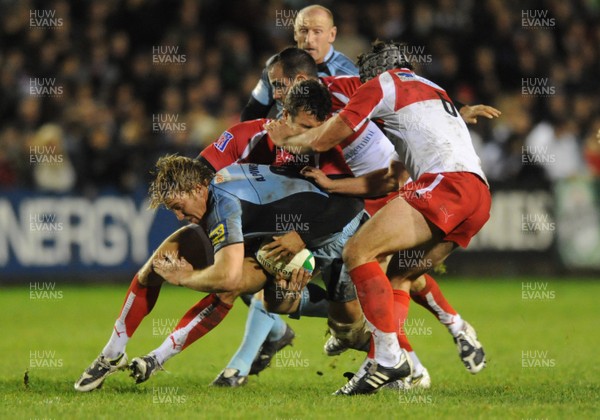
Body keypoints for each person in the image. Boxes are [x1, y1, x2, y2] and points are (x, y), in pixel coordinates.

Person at [73, 78, 368, 392]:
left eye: (178, 206)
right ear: (283, 115)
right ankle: (112, 354)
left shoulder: (333, 145)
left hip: (338, 232)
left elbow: (350, 201)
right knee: (160, 264)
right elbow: (198, 172)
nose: (178, 217)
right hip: (274, 230)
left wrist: (184, 277)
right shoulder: (229, 161)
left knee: (341, 321)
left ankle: (395, 356)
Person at [266, 41, 493, 395]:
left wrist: (291, 139)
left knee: (357, 252)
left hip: (445, 185)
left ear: (373, 71)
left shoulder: (381, 86)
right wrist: (333, 183)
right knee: (401, 275)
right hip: (478, 195)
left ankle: (388, 359)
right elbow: (392, 176)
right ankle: (398, 358)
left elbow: (328, 137)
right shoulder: (433, 90)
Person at [241, 4, 357, 121]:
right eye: (303, 31)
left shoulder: (350, 74)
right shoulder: (276, 67)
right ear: (295, 34)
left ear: (332, 34)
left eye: (317, 31)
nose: (309, 39)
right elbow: (252, 113)